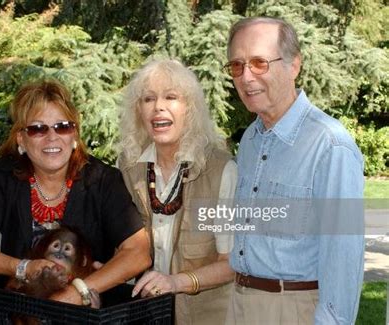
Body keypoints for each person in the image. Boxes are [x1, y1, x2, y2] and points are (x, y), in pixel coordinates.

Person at [0, 79, 151, 305]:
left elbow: (138, 252)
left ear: (74, 135)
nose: (52, 137)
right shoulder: (4, 177)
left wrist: (79, 291)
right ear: (21, 139)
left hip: (86, 314)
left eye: (63, 126)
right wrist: (23, 268)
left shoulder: (102, 180)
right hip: (22, 309)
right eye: (38, 129)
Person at [225, 17, 365, 324]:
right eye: (237, 65)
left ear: (294, 66)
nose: (246, 77)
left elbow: (343, 258)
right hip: (239, 305)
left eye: (259, 63)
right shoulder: (250, 140)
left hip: (293, 310)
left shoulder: (329, 145)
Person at [117, 58, 237, 324]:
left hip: (205, 316)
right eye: (148, 99)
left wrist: (175, 282)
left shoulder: (221, 171)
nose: (158, 107)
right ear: (138, 111)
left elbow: (232, 263)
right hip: (146, 313)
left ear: (189, 109)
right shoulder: (130, 167)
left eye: (171, 97)